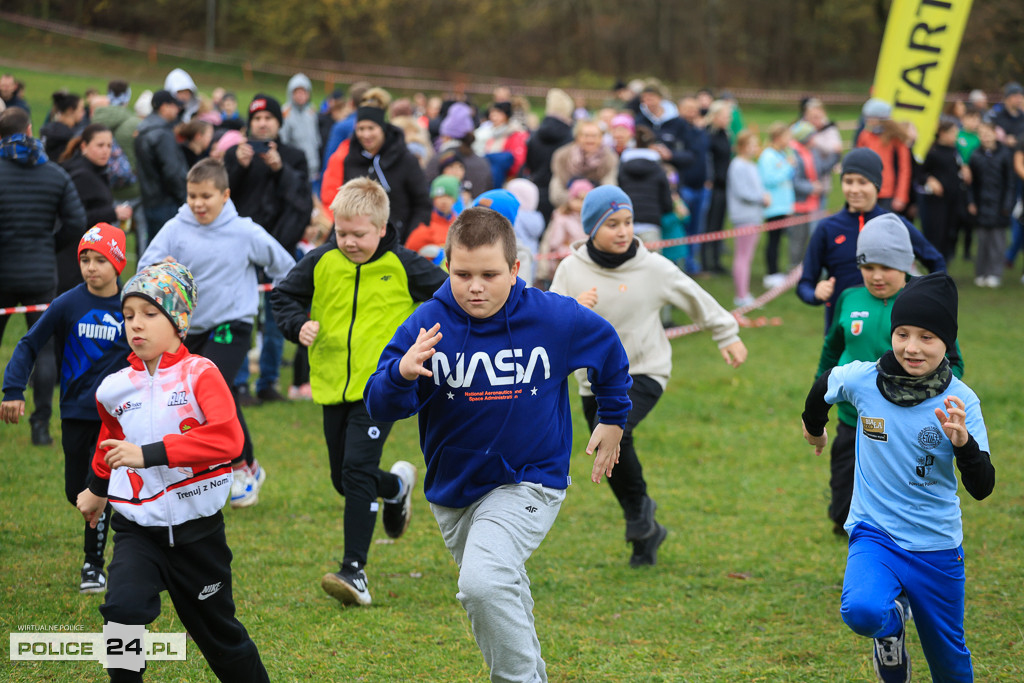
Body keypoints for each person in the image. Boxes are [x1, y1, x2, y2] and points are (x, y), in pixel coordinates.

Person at [364, 205, 631, 682]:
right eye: (462, 273)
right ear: (448, 267)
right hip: (454, 491)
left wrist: (612, 419)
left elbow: (608, 347)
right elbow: (380, 404)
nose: (475, 286)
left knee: (482, 584)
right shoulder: (428, 324)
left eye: (490, 274)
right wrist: (402, 372)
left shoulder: (552, 318)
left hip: (529, 480)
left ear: (515, 269)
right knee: (498, 587)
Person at [76, 261, 270, 683]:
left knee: (223, 641)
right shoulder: (114, 387)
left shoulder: (201, 373)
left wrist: (149, 454)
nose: (136, 326)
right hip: (137, 530)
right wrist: (96, 489)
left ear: (179, 321)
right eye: (128, 316)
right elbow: (110, 442)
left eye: (149, 314)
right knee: (122, 615)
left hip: (198, 536)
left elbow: (228, 440)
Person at [801, 270, 994, 683]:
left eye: (927, 337)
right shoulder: (864, 379)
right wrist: (814, 427)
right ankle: (889, 633)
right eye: (902, 333)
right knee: (863, 610)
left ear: (947, 341)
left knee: (950, 666)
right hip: (876, 532)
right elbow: (823, 386)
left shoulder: (962, 400)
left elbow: (983, 487)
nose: (912, 347)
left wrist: (963, 444)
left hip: (937, 545)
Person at [271, 177, 447, 606]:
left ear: (382, 229)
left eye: (359, 234)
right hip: (333, 384)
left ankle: (354, 571)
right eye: (341, 233)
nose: (348, 242)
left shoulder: (405, 266)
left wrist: (425, 345)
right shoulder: (320, 262)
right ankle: (395, 488)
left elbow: (450, 294)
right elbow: (282, 298)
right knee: (343, 479)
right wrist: (299, 325)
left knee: (354, 472)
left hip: (384, 385)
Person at [550, 185, 746, 565]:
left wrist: (727, 333)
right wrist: (572, 307)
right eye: (611, 224)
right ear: (591, 229)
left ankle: (640, 516)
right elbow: (549, 319)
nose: (623, 231)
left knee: (617, 429)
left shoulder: (653, 267)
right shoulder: (570, 270)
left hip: (645, 369)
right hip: (593, 380)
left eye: (628, 222)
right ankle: (643, 522)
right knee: (607, 447)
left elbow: (694, 296)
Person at [139, 158, 296, 507]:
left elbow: (286, 267)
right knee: (205, 397)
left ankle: (239, 469)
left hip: (233, 324)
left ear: (225, 195)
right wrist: (162, 274)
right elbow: (145, 268)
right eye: (192, 195)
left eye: (206, 196)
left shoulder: (244, 231)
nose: (198, 203)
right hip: (189, 329)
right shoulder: (175, 229)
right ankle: (250, 466)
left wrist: (285, 305)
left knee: (214, 387)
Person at [813, 215, 964, 538]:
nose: (876, 276)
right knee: (843, 503)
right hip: (853, 419)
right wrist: (819, 394)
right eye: (868, 267)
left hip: (903, 422)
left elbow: (954, 363)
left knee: (901, 491)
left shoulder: (924, 303)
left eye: (886, 267)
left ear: (906, 264)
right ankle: (853, 531)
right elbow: (831, 351)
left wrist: (933, 397)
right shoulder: (849, 298)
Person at [2, 224, 130, 592]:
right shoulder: (67, 303)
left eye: (100, 260)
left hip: (117, 419)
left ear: (118, 264)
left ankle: (94, 565)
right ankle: (118, 526)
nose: (91, 267)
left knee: (99, 489)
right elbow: (28, 344)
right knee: (77, 493)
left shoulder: (130, 306)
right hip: (75, 413)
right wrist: (13, 388)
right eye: (85, 259)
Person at [0, 106, 88, 446]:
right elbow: (77, 222)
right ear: (31, 129)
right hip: (40, 272)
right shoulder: (53, 172)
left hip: (3, 272)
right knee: (45, 349)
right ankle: (40, 426)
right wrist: (49, 245)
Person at [797, 148, 946, 334]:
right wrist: (815, 294)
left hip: (889, 330)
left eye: (862, 182)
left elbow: (936, 261)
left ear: (876, 184)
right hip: (842, 331)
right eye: (848, 181)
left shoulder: (895, 224)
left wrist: (925, 297)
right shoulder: (827, 228)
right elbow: (805, 283)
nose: (854, 189)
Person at [224, 93, 312, 403]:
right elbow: (223, 198)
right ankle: (240, 383)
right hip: (241, 250)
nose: (262, 124)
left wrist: (280, 169)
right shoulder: (236, 155)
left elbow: (301, 200)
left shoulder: (294, 156)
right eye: (257, 119)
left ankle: (269, 382)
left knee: (277, 318)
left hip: (281, 247)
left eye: (268, 119)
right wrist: (240, 166)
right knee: (243, 315)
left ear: (278, 122)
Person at [58, 123, 133, 293]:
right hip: (78, 258)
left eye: (109, 146)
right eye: (100, 145)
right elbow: (75, 218)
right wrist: (113, 213)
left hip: (96, 251)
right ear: (84, 146)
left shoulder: (96, 170)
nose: (106, 151)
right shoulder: (81, 175)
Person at [134, 90, 188, 246]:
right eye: (174, 106)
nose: (177, 110)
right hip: (166, 202)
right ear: (164, 107)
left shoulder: (142, 130)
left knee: (153, 249)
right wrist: (183, 199)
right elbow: (172, 172)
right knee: (168, 253)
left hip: (149, 200)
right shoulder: (163, 134)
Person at [967, 119, 1016, 287]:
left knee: (997, 241)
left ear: (995, 134)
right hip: (981, 204)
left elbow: (1010, 182)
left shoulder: (1005, 154)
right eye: (982, 134)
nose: (985, 137)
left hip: (999, 204)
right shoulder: (975, 155)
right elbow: (971, 184)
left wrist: (1007, 204)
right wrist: (971, 202)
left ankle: (995, 273)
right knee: (982, 242)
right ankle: (981, 272)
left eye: (988, 134)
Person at [727, 130, 771, 307]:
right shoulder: (737, 165)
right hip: (744, 216)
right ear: (744, 146)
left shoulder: (750, 165)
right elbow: (742, 192)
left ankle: (744, 293)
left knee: (747, 255)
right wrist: (762, 198)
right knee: (743, 256)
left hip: (754, 215)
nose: (755, 148)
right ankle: (741, 295)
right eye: (752, 144)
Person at [524, 88, 575, 221]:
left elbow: (529, 162)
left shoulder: (535, 135)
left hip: (536, 188)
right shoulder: (570, 137)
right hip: (560, 193)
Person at [855, 98, 912, 213]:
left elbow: (904, 168)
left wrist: (901, 196)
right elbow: (858, 164)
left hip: (888, 194)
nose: (867, 121)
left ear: (881, 119)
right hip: (867, 190)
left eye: (870, 118)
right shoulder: (865, 135)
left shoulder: (896, 138)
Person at [919, 120, 965, 261]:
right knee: (937, 231)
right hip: (937, 201)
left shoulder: (955, 150)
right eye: (952, 133)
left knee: (950, 230)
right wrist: (930, 180)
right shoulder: (933, 151)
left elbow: (957, 167)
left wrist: (964, 170)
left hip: (953, 198)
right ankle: (934, 261)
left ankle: (946, 260)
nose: (955, 137)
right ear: (942, 134)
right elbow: (920, 173)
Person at [548, 120, 619, 210]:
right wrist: (572, 202)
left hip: (597, 210)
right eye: (586, 136)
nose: (590, 140)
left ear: (601, 138)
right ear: (577, 137)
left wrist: (587, 200)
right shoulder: (562, 157)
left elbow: (610, 190)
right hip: (567, 211)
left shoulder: (609, 159)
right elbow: (556, 194)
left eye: (594, 136)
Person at [758, 122, 796, 288]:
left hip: (782, 205)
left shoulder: (780, 154)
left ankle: (775, 271)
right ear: (778, 137)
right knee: (773, 240)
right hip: (773, 206)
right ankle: (771, 274)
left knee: (778, 239)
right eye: (787, 136)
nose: (789, 140)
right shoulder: (768, 156)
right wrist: (788, 168)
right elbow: (769, 179)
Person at [281, 73, 321, 181]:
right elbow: (283, 142)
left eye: (303, 92)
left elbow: (316, 139)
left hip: (313, 169)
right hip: (295, 169)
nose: (300, 95)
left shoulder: (311, 112)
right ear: (291, 93)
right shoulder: (285, 113)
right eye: (297, 92)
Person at [406, 175, 459, 257]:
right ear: (433, 198)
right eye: (440, 196)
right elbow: (409, 254)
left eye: (448, 196)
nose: (444, 201)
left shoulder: (459, 225)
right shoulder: (424, 225)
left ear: (454, 199)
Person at [41, 92, 85, 161]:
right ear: (70, 110)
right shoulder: (70, 136)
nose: (84, 112)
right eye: (81, 109)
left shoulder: (46, 129)